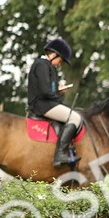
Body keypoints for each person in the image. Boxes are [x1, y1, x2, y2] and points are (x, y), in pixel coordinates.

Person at [27, 37, 81, 166]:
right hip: (42, 105)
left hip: (46, 102)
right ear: (54, 55)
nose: (59, 64)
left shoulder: (46, 66)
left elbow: (47, 89)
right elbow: (45, 92)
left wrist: (58, 90)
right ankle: (60, 154)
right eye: (60, 60)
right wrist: (57, 95)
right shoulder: (42, 65)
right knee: (75, 118)